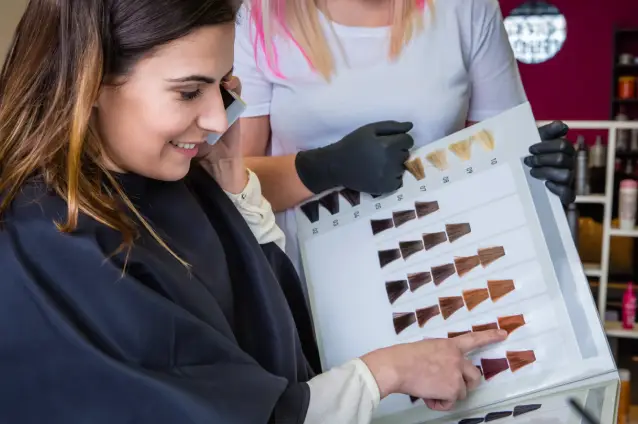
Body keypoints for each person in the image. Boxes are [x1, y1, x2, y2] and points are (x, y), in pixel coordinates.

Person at [0, 0, 509, 423]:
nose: (217, 116)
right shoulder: (53, 241)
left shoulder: (178, 180)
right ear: (90, 80)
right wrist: (384, 374)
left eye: (223, 85)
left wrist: (232, 179)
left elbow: (275, 337)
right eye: (189, 92)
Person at [234, 0, 576, 276]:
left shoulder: (468, 8)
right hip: (302, 283)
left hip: (440, 274)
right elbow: (230, 185)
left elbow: (501, 156)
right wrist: (324, 168)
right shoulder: (259, 15)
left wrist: (535, 173)